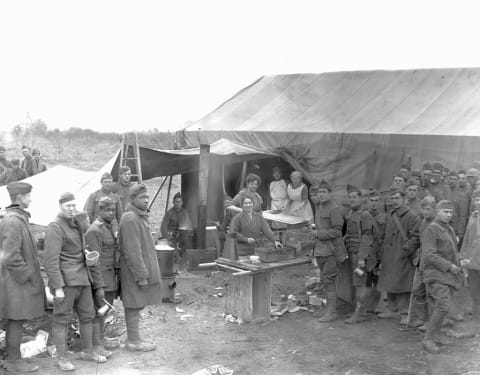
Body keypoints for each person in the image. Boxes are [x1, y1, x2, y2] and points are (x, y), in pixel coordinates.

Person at [44, 192, 107, 371]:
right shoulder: (55, 227)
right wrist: (58, 288)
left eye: (74, 205)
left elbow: (77, 250)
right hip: (66, 282)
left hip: (83, 279)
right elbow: (50, 261)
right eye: (68, 206)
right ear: (60, 206)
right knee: (61, 320)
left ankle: (88, 351)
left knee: (88, 316)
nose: (72, 209)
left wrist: (87, 256)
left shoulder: (75, 224)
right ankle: (62, 358)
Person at [0, 182, 46, 373]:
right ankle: (13, 361)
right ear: (19, 198)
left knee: (15, 320)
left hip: (14, 281)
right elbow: (10, 255)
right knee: (16, 320)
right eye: (28, 196)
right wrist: (26, 274)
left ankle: (14, 358)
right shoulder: (13, 221)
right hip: (15, 283)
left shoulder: (17, 219)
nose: (30, 199)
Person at [118, 183, 162, 351]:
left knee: (136, 304)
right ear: (132, 199)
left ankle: (134, 339)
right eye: (142, 198)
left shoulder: (138, 216)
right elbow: (132, 252)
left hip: (137, 271)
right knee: (133, 304)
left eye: (147, 197)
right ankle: (134, 341)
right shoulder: (130, 218)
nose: (146, 201)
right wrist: (142, 276)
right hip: (133, 272)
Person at [421, 200, 462, 354]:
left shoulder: (449, 229)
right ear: (437, 211)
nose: (448, 215)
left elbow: (452, 251)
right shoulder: (431, 229)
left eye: (450, 212)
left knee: (441, 307)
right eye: (445, 211)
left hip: (448, 275)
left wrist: (459, 261)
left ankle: (435, 336)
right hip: (436, 274)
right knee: (443, 306)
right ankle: (428, 339)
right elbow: (429, 255)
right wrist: (450, 266)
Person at [378, 188, 420, 325]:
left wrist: (405, 251)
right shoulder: (390, 214)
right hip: (389, 255)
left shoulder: (412, 216)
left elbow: (415, 237)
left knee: (402, 285)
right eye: (392, 198)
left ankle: (404, 313)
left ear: (404, 199)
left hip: (402, 255)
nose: (394, 201)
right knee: (389, 282)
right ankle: (392, 309)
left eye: (397, 198)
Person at [85, 196, 121, 358]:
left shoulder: (108, 226)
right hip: (101, 279)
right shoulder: (95, 230)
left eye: (113, 210)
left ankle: (101, 338)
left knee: (104, 311)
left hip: (110, 277)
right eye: (107, 210)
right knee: (98, 311)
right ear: (99, 210)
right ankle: (96, 345)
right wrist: (98, 286)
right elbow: (94, 262)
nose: (111, 213)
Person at [309, 181, 348, 322]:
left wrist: (317, 233)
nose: (321, 195)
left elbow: (337, 232)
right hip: (321, 250)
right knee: (325, 281)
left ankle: (332, 313)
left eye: (324, 192)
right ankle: (329, 310)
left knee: (329, 281)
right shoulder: (319, 207)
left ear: (330, 194)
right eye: (319, 192)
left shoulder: (334, 209)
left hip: (332, 250)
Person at [343, 184, 377, 324]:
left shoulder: (365, 215)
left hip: (359, 254)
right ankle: (359, 310)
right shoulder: (351, 214)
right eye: (350, 197)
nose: (352, 200)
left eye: (354, 197)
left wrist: (362, 258)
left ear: (361, 199)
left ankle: (360, 313)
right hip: (352, 252)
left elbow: (367, 237)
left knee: (360, 284)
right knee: (357, 283)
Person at [407, 196, 436, 329]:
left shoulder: (437, 224)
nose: (426, 212)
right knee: (418, 291)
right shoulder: (423, 222)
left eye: (428, 209)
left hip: (432, 264)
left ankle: (431, 321)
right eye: (423, 209)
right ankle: (421, 318)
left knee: (431, 293)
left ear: (434, 210)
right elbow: (419, 241)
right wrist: (416, 255)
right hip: (421, 262)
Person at [460, 191, 480, 336]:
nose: (478, 202)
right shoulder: (473, 217)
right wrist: (463, 257)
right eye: (476, 199)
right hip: (472, 263)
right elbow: (467, 239)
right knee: (475, 295)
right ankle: (477, 325)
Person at [160, 192, 193, 264]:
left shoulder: (185, 212)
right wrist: (167, 238)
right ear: (173, 202)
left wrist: (189, 233)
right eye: (176, 202)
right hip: (172, 235)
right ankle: (178, 258)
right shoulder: (169, 213)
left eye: (180, 201)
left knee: (188, 241)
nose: (178, 203)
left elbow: (189, 224)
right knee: (173, 244)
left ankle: (185, 258)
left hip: (181, 234)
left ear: (182, 202)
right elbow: (163, 227)